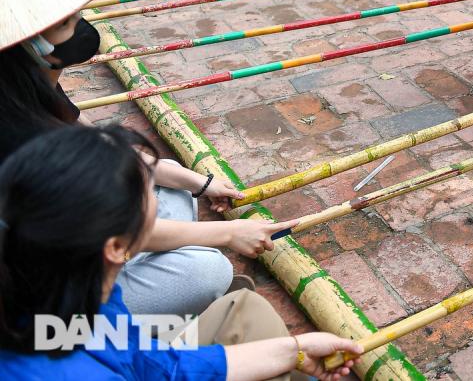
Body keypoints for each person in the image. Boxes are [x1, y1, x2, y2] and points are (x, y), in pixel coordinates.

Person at [0, 0, 300, 322]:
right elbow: (111, 232)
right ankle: (133, 317)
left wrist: (199, 182)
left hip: (85, 238)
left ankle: (166, 269)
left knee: (169, 181)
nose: (81, 26)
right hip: (44, 292)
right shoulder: (18, 139)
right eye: (67, 24)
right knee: (207, 270)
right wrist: (229, 233)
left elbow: (107, 149)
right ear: (32, 46)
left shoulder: (25, 87)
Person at [0, 124, 362, 379]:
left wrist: (293, 350)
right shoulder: (77, 363)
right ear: (115, 247)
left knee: (253, 316)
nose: (155, 202)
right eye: (147, 197)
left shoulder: (72, 291)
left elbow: (153, 364)